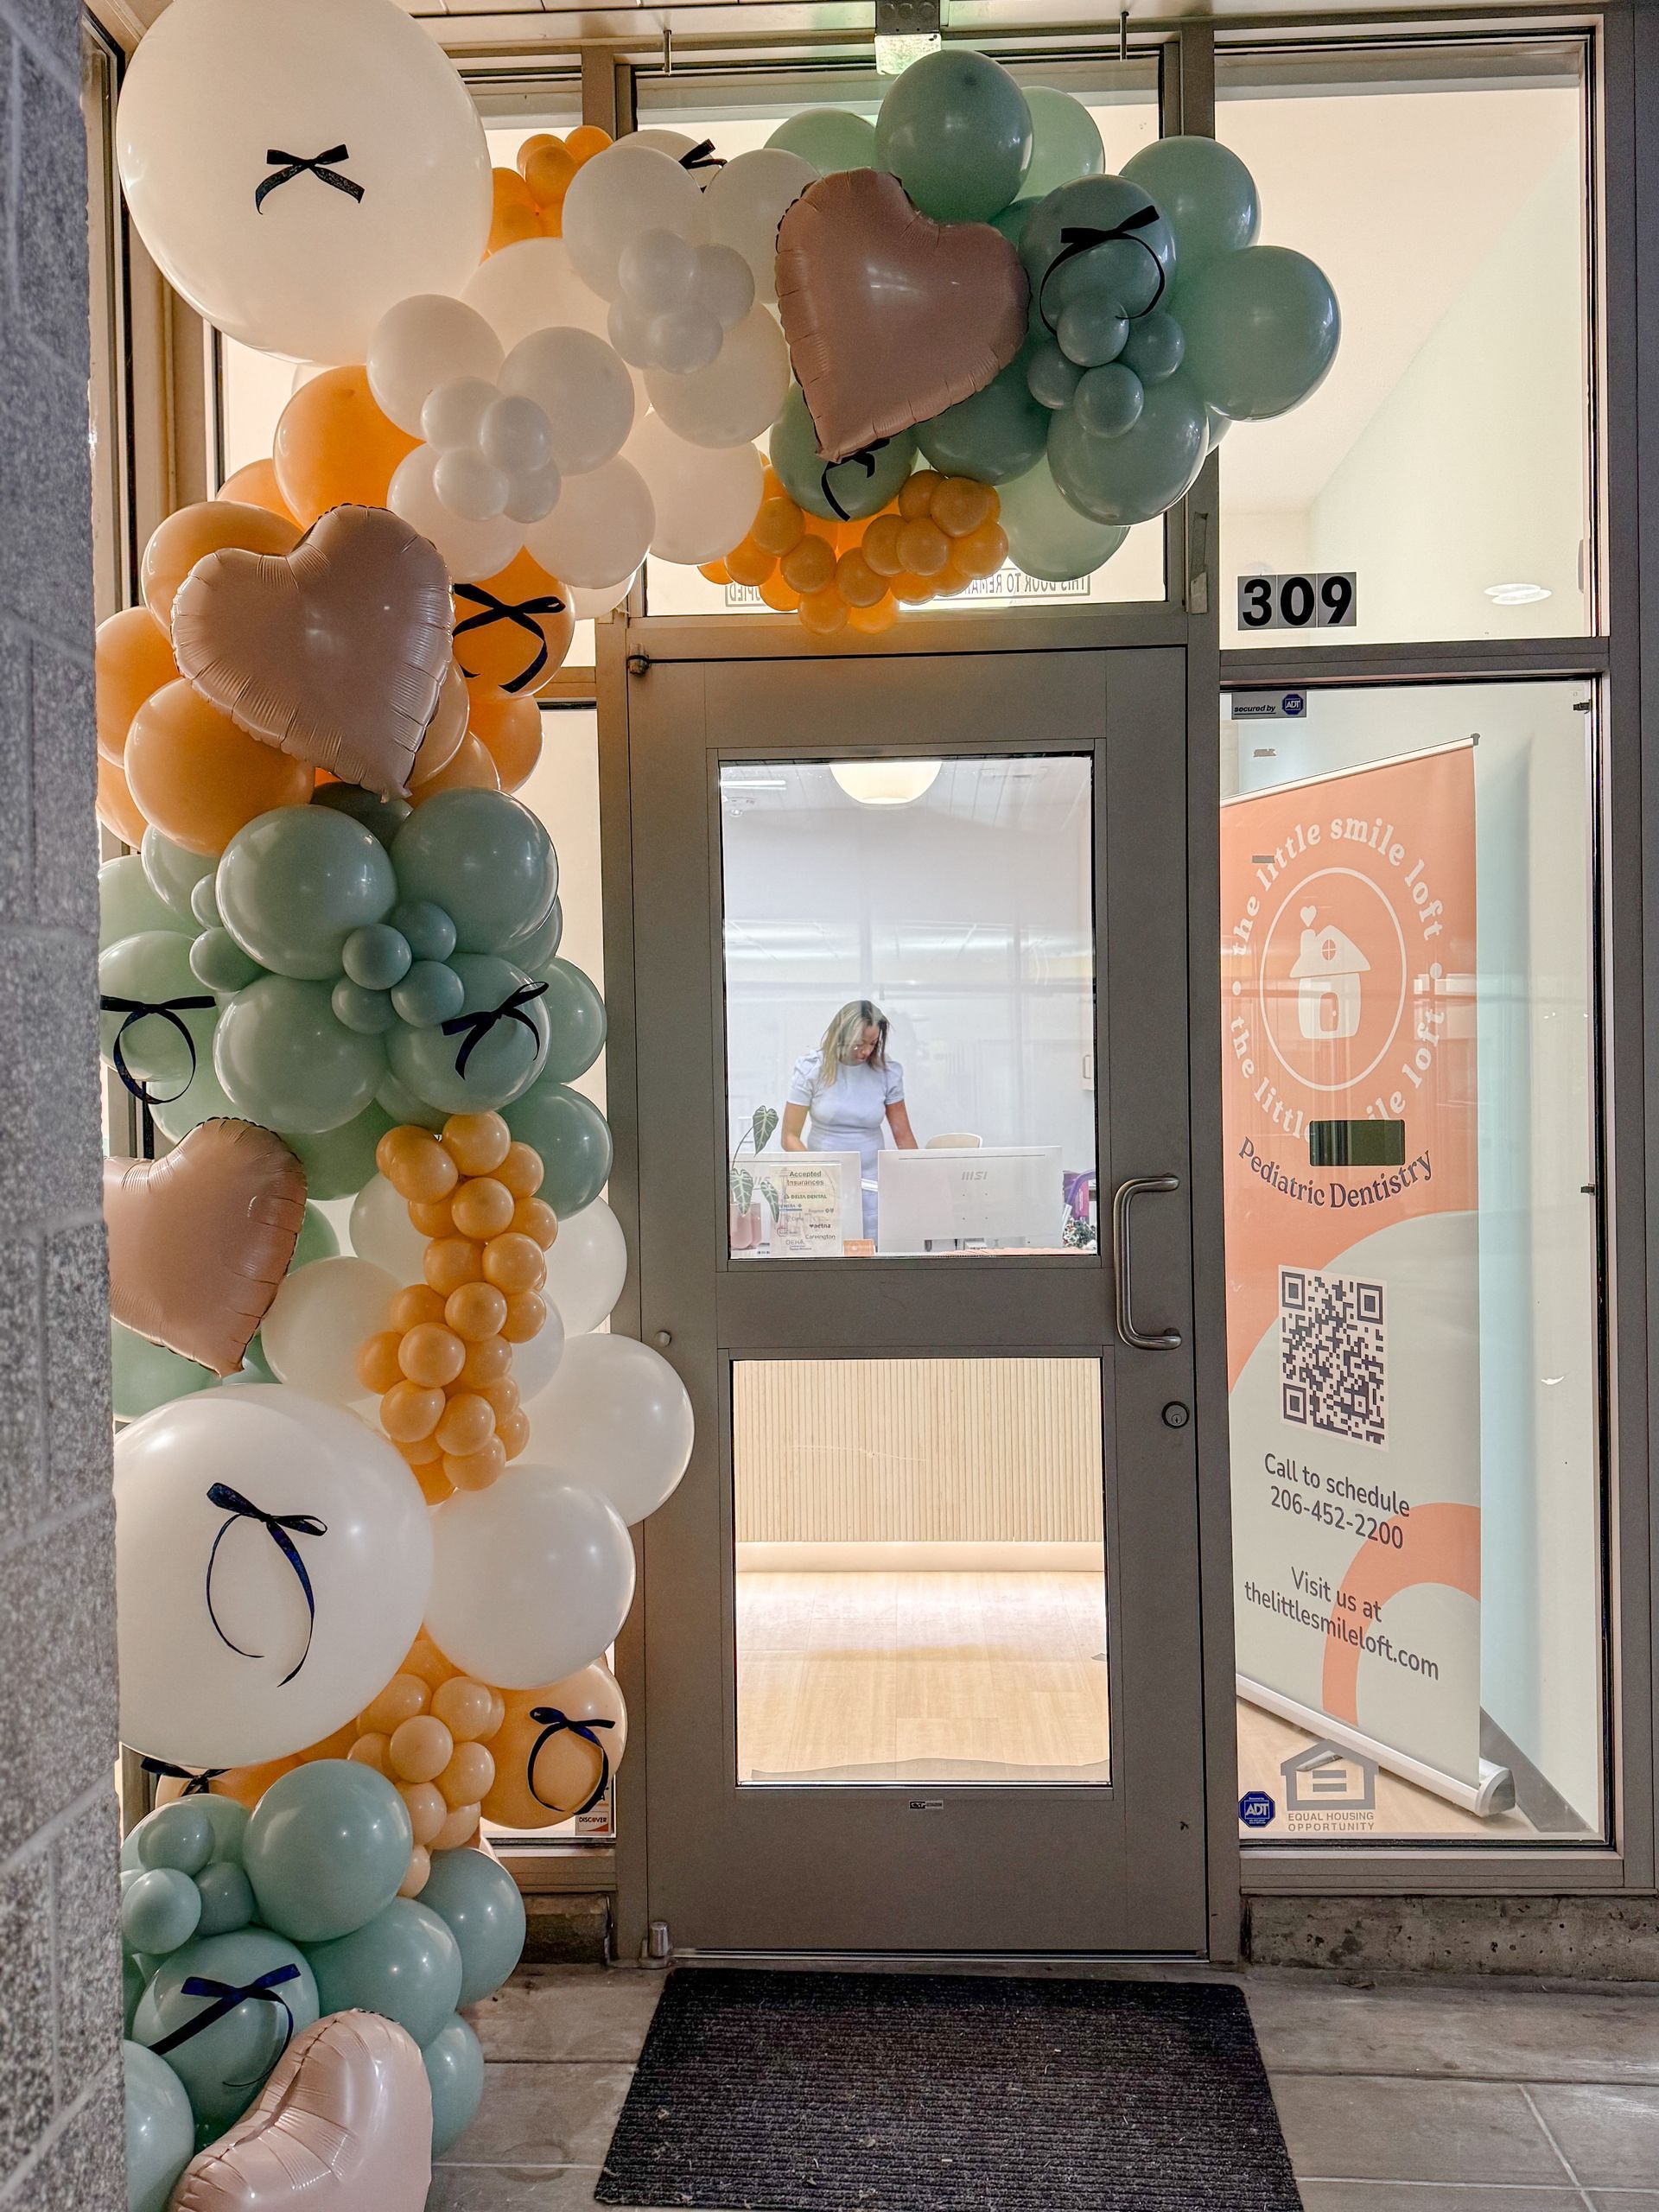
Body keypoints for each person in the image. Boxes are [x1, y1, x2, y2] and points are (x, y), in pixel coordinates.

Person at [782, 1001, 918, 1241]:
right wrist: (818, 1177)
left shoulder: (887, 1073)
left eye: (873, 1043)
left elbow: (904, 1137)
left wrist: (920, 1179)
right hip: (822, 1189)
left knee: (871, 1256)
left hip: (872, 1188)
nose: (866, 1051)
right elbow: (789, 1137)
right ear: (840, 1037)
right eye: (859, 1044)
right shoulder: (812, 1069)